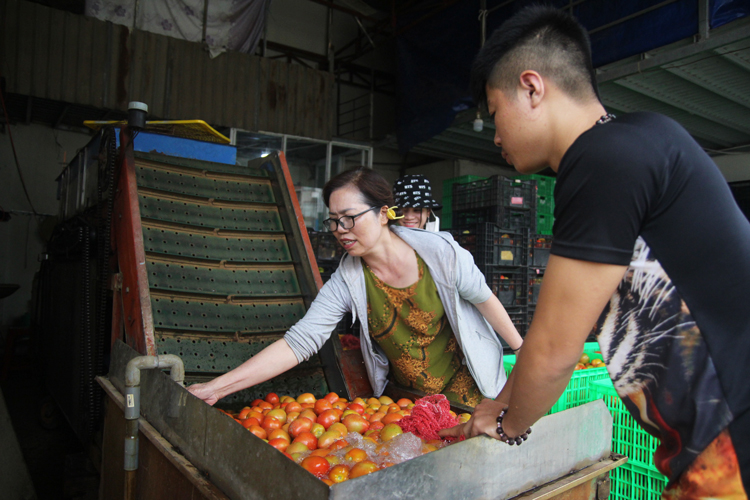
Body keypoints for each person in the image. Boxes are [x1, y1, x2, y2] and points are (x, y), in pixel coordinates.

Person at [439, 5, 750, 498]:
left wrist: (502, 429)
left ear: (532, 87)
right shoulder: (636, 141)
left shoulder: (602, 159)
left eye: (495, 114)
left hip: (732, 430)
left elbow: (555, 351)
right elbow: (559, 329)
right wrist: (498, 401)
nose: (495, 136)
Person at [189, 167, 523, 408]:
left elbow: (484, 299)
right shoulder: (348, 279)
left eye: (349, 217)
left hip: (468, 395)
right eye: (333, 220)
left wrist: (522, 351)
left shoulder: (442, 255)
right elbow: (300, 341)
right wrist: (217, 388)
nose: (339, 229)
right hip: (406, 401)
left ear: (382, 214)